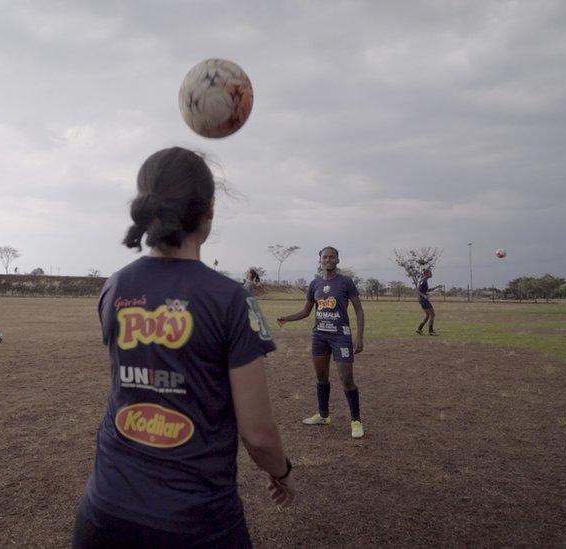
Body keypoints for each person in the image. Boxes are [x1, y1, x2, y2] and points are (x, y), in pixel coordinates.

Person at [73, 147, 294, 549]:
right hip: (197, 524)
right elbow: (258, 435)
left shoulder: (115, 287)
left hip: (104, 514)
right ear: (209, 209)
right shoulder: (231, 301)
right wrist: (283, 472)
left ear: (146, 207)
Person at [277, 247, 366, 438]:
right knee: (321, 378)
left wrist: (359, 337)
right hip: (319, 337)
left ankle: (356, 421)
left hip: (341, 336)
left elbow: (359, 310)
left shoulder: (345, 282)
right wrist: (287, 318)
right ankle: (324, 416)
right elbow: (306, 311)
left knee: (346, 379)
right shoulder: (314, 283)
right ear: (320, 260)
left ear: (337, 260)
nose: (328, 259)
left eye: (331, 256)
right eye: (325, 257)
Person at [416, 269, 441, 335]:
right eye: (430, 273)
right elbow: (417, 290)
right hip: (423, 300)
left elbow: (426, 290)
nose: (431, 274)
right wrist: (424, 296)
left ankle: (419, 329)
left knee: (428, 315)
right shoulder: (423, 280)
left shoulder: (425, 280)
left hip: (422, 300)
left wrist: (436, 287)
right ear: (426, 273)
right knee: (432, 314)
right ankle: (431, 331)